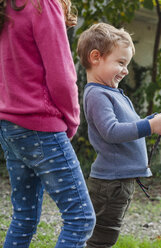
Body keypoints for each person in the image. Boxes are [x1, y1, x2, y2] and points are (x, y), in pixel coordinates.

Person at [0, 0, 95, 247]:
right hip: (40, 125)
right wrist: (72, 120)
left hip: (9, 125)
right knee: (81, 217)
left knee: (24, 216)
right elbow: (61, 74)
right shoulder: (42, 3)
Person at [76, 22, 161, 248]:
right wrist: (149, 127)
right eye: (120, 63)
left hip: (118, 182)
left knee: (106, 235)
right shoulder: (97, 94)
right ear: (95, 57)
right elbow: (111, 131)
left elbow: (129, 125)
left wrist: (152, 120)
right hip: (111, 183)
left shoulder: (111, 93)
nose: (126, 70)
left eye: (127, 64)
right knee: (101, 238)